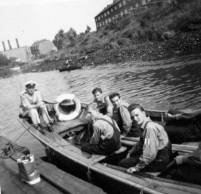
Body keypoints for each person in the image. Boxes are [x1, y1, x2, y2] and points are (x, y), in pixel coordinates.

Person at [119, 104, 171, 173]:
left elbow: (150, 154)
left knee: (122, 163)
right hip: (161, 155)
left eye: (137, 115)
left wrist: (136, 168)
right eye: (132, 117)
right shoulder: (146, 124)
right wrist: (131, 151)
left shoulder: (149, 128)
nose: (135, 119)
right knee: (132, 155)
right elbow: (142, 142)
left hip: (159, 161)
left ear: (143, 113)